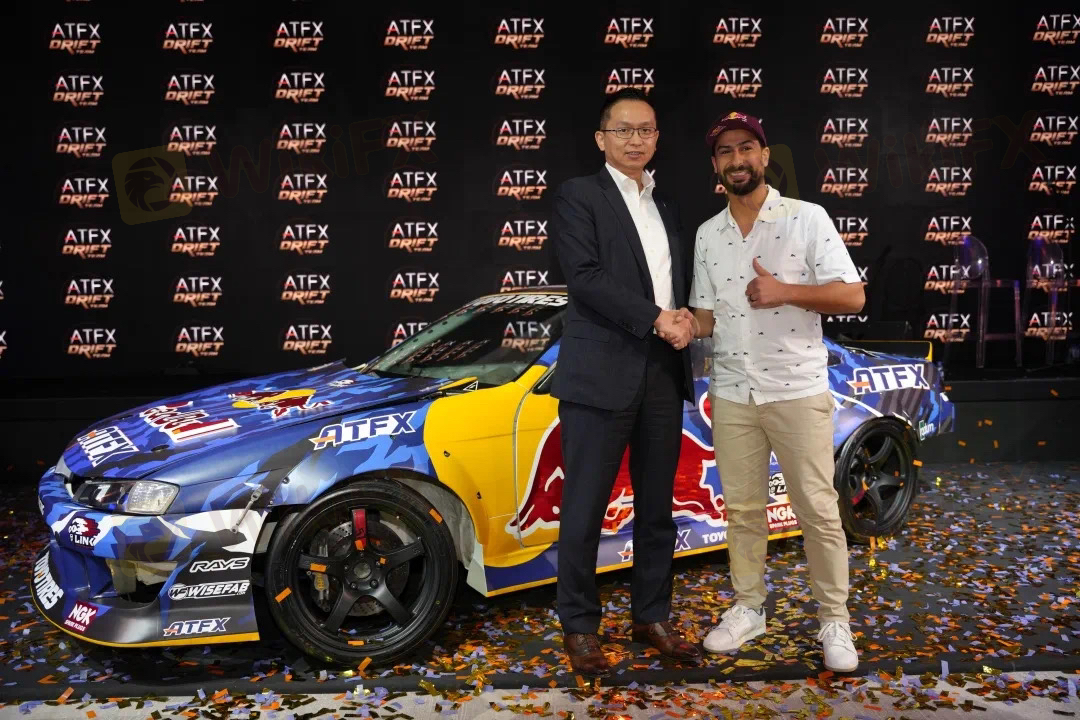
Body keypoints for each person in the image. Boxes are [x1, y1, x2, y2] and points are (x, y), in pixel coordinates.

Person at [684, 112, 865, 673]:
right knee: (742, 512)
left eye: (747, 148)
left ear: (764, 157)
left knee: (818, 510)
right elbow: (706, 317)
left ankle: (834, 619)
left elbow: (853, 297)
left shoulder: (807, 218)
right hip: (733, 393)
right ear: (715, 165)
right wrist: (679, 324)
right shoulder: (708, 234)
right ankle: (748, 607)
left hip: (796, 390)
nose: (737, 159)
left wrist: (785, 290)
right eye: (726, 152)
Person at [548, 88, 702, 677]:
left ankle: (651, 615)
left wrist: (683, 318)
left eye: (646, 130)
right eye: (624, 130)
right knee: (584, 508)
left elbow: (675, 284)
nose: (635, 140)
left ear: (657, 139)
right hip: (598, 375)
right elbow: (585, 277)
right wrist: (656, 318)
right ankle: (579, 626)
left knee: (658, 507)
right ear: (601, 138)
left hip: (662, 372)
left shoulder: (667, 206)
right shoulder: (579, 195)